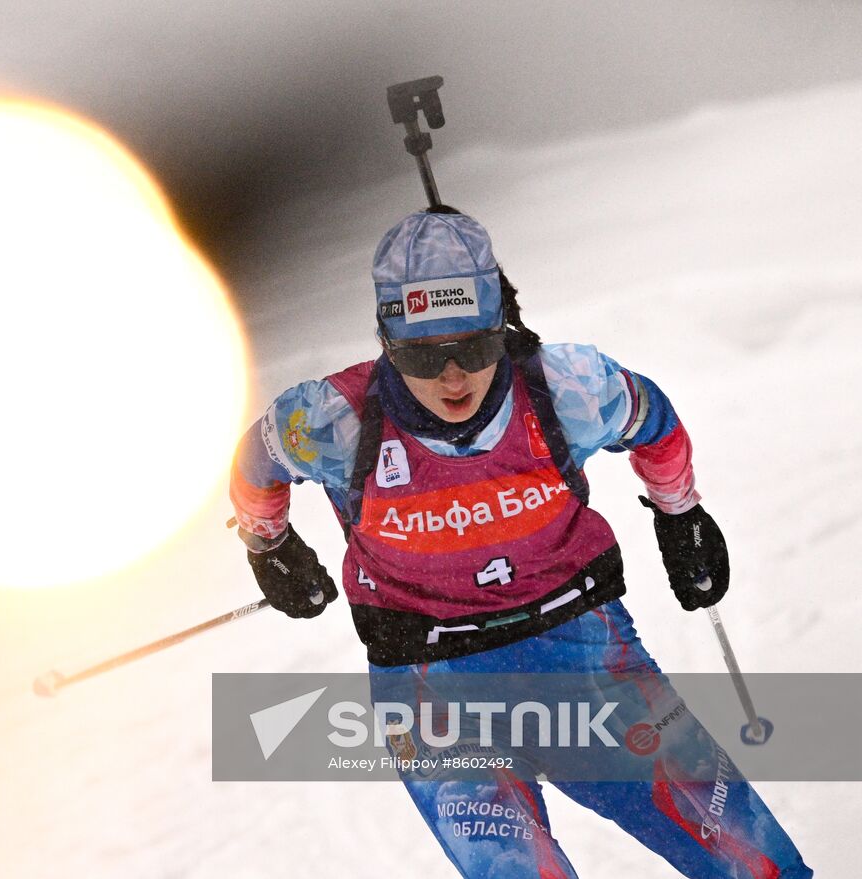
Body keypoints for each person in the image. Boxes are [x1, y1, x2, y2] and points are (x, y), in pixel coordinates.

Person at [229, 206, 811, 878]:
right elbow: (256, 463)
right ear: (388, 340)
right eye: (424, 355)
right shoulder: (334, 418)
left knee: (755, 863)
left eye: (474, 348)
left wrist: (680, 514)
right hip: (431, 691)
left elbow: (652, 419)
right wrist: (269, 545)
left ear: (500, 327)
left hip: (584, 657)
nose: (453, 377)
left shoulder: (566, 387)